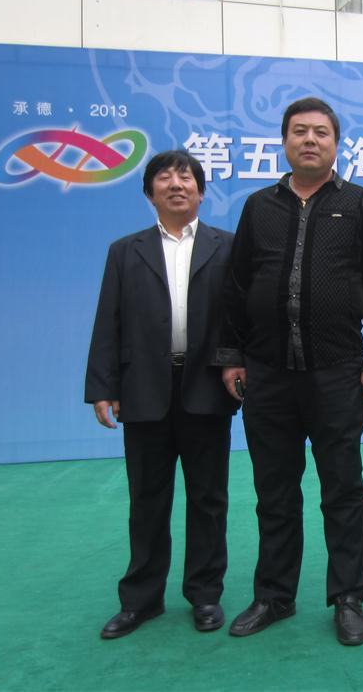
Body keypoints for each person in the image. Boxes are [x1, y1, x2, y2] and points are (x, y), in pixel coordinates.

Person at [218, 97, 363, 646]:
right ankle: (274, 595)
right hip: (268, 374)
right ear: (284, 142)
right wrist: (232, 355)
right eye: (299, 131)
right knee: (274, 491)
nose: (310, 140)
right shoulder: (258, 206)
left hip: (337, 372)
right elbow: (236, 285)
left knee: (343, 489)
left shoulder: (359, 203)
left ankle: (348, 597)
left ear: (336, 144)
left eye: (321, 132)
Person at [85, 149, 239, 639]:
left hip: (205, 387)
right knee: (147, 498)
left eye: (187, 177)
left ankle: (205, 594)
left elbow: (240, 317)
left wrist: (239, 365)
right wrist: (103, 386)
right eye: (166, 178)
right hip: (144, 388)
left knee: (208, 498)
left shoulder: (227, 247)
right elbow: (108, 320)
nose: (177, 185)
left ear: (201, 191)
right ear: (149, 192)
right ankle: (141, 600)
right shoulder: (125, 251)